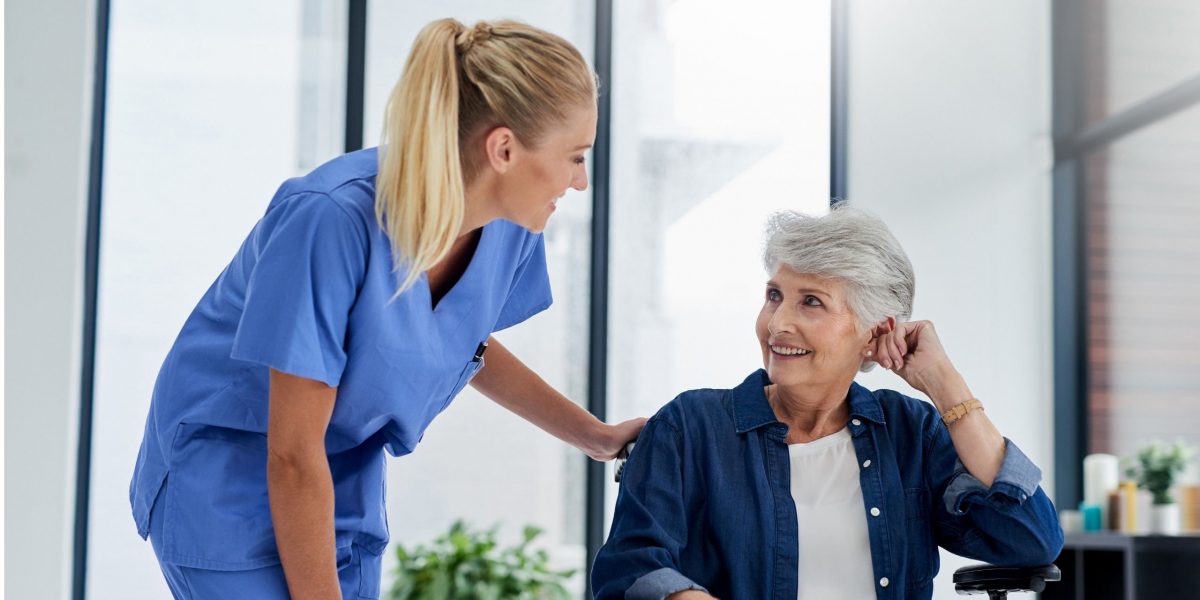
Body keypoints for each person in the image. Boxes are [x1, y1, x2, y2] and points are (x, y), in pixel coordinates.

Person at [130, 18, 644, 600]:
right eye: (575, 158)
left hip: (342, 481)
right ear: (503, 149)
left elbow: (460, 339)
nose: (580, 182)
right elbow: (292, 452)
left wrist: (596, 436)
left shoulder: (510, 226)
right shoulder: (330, 219)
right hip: (230, 482)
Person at [591, 207, 1063, 600]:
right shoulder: (691, 427)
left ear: (875, 333)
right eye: (774, 295)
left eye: (811, 302)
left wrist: (946, 385)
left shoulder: (910, 432)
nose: (777, 323)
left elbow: (1032, 540)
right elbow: (629, 567)